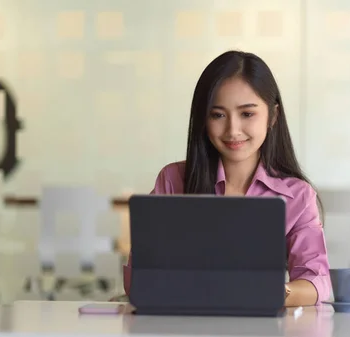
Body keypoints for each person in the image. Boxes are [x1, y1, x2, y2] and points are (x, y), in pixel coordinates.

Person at [119, 50, 331, 306]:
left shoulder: (297, 195)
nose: (233, 130)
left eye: (247, 114)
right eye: (218, 115)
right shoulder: (173, 180)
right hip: (181, 324)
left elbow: (316, 282)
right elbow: (140, 279)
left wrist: (270, 292)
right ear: (203, 119)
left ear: (272, 116)